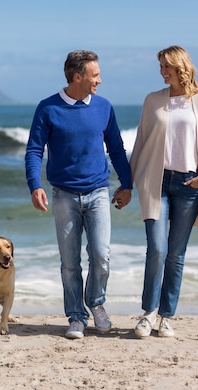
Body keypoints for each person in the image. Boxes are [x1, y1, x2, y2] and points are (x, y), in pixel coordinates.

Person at [25, 50, 132, 340]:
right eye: (95, 75)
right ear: (77, 77)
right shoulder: (48, 108)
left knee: (101, 256)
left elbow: (117, 148)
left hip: (98, 192)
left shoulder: (104, 107)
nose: (100, 80)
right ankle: (76, 316)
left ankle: (96, 304)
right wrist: (35, 185)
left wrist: (127, 183)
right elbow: (34, 149)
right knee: (70, 262)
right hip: (63, 195)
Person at [129, 45, 198, 338]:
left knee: (176, 254)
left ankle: (166, 317)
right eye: (160, 67)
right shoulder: (152, 100)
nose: (161, 72)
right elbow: (141, 143)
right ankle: (147, 314)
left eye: (165, 67)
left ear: (179, 66)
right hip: (155, 181)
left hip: (189, 184)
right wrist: (126, 183)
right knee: (156, 249)